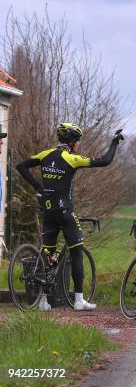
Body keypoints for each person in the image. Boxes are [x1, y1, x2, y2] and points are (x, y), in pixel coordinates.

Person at [16, 123, 123, 311]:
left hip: (47, 212)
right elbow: (105, 161)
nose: (79, 145)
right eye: (78, 141)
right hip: (64, 212)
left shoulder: (45, 154)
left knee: (47, 254)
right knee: (76, 251)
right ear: (73, 142)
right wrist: (114, 143)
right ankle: (79, 300)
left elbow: (21, 166)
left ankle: (42, 301)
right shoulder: (72, 158)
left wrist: (38, 187)